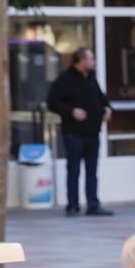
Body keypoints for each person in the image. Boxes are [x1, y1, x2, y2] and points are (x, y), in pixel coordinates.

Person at [47, 46, 112, 218]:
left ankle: (93, 205)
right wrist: (71, 111)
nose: (94, 62)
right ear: (81, 60)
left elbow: (101, 98)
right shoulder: (65, 79)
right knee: (74, 171)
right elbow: (52, 102)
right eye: (91, 59)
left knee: (92, 172)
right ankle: (72, 206)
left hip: (92, 132)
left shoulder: (91, 77)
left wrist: (107, 109)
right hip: (73, 133)